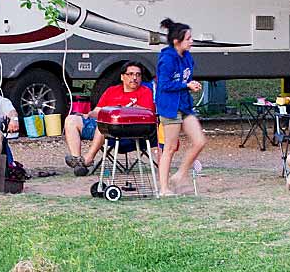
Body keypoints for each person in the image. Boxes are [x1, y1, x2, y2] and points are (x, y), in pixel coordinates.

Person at [63, 63, 154, 176]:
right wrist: (87, 114)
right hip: (103, 127)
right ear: (122, 76)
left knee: (104, 124)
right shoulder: (112, 91)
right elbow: (97, 111)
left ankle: (88, 159)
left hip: (128, 132)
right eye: (130, 74)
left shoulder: (145, 92)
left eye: (138, 75)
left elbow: (148, 113)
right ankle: (77, 161)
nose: (134, 78)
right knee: (71, 120)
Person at [154, 18, 206, 196]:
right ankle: (163, 188)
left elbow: (185, 79)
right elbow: (164, 85)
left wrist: (191, 84)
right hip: (170, 107)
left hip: (184, 106)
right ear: (177, 41)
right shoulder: (167, 59)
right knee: (169, 147)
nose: (191, 41)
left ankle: (180, 174)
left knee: (199, 141)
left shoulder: (187, 57)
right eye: (188, 38)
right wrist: (186, 86)